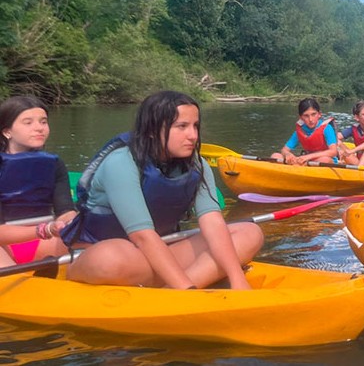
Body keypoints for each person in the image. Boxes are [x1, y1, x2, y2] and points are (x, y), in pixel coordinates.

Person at [61, 91, 264, 289]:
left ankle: (170, 289)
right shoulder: (121, 163)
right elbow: (142, 235)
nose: (192, 135)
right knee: (108, 258)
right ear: (151, 130)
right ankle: (185, 285)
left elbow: (213, 223)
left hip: (161, 251)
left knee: (250, 232)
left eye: (195, 126)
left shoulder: (197, 165)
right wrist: (186, 289)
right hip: (109, 254)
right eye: (181, 126)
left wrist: (238, 280)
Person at [0, 96, 75, 267]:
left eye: (43, 122)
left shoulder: (54, 164)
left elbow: (65, 210)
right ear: (7, 131)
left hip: (44, 241)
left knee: (89, 240)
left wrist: (70, 223)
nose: (39, 128)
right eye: (28, 123)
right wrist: (44, 230)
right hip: (5, 246)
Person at [271, 98, 338, 166]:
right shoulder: (300, 131)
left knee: (324, 159)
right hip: (306, 161)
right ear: (301, 117)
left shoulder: (327, 128)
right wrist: (288, 154)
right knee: (275, 155)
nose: (311, 119)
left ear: (319, 114)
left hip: (324, 161)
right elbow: (284, 150)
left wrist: (309, 156)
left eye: (313, 114)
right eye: (306, 116)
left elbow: (333, 152)